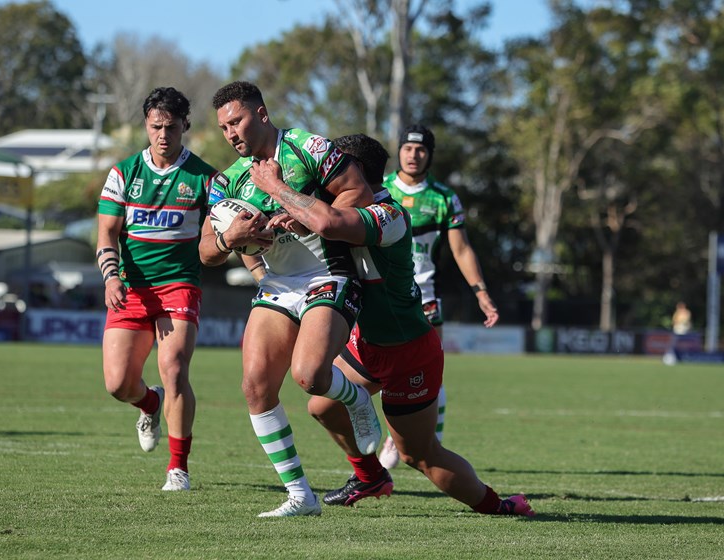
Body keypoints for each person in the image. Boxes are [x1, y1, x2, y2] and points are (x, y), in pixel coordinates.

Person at [249, 133, 535, 518]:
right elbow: (320, 227)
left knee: (419, 455)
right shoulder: (348, 210)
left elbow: (331, 224)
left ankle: (497, 505)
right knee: (321, 405)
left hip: (407, 351)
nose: (323, 180)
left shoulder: (389, 215)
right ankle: (370, 477)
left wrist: (278, 188)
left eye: (333, 171)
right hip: (367, 344)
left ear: (356, 177)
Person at [198, 81, 381, 517]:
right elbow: (205, 251)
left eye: (237, 122)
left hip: (329, 273)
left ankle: (356, 400)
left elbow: (359, 194)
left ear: (261, 114)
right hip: (278, 283)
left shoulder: (308, 147)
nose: (231, 134)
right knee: (256, 385)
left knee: (311, 376)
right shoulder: (228, 181)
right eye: (224, 128)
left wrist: (303, 212)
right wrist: (231, 237)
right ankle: (301, 495)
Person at [97, 86, 219, 492]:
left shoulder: (205, 178)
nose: (162, 135)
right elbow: (106, 236)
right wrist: (111, 276)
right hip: (130, 288)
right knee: (117, 385)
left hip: (179, 287)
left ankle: (178, 468)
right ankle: (149, 402)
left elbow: (224, 233)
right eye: (155, 127)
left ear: (185, 126)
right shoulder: (123, 173)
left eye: (170, 127)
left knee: (175, 368)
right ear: (146, 126)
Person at [379, 124, 499, 469]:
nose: (413, 155)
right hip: (380, 297)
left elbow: (461, 250)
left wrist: (481, 292)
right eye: (407, 149)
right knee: (376, 373)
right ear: (399, 151)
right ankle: (391, 435)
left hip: (425, 299)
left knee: (429, 373)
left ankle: (430, 440)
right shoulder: (379, 189)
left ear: (429, 155)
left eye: (420, 150)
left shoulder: (444, 198)